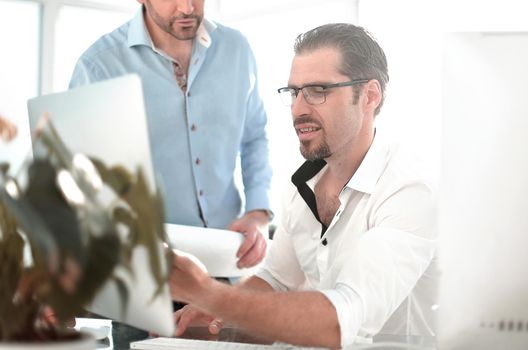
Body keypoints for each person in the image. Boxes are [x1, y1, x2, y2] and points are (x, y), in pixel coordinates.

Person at [168, 23, 438, 349]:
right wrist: (213, 313)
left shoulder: (409, 190)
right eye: (294, 92)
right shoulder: (302, 186)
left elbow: (343, 321)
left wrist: (209, 293)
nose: (298, 109)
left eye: (318, 91)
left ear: (369, 96)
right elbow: (276, 281)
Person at [69, 0, 272, 268]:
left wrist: (258, 211)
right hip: (146, 269)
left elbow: (254, 137)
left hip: (228, 258)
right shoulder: (99, 67)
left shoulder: (237, 50)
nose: (187, 8)